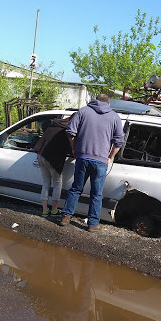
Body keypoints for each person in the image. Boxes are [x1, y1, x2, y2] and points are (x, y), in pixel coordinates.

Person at [60, 94, 124, 232]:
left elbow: (70, 132)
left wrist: (74, 149)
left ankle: (66, 216)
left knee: (76, 188)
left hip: (82, 157)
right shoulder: (114, 117)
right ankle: (93, 224)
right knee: (96, 194)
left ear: (95, 100)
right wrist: (110, 157)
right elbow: (119, 141)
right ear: (108, 104)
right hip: (100, 161)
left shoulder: (83, 111)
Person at [33, 115, 74, 216]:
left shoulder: (53, 125)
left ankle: (44, 210)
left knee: (46, 183)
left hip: (42, 157)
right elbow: (70, 149)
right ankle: (54, 210)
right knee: (57, 183)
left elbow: (39, 144)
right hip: (53, 160)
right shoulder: (67, 130)